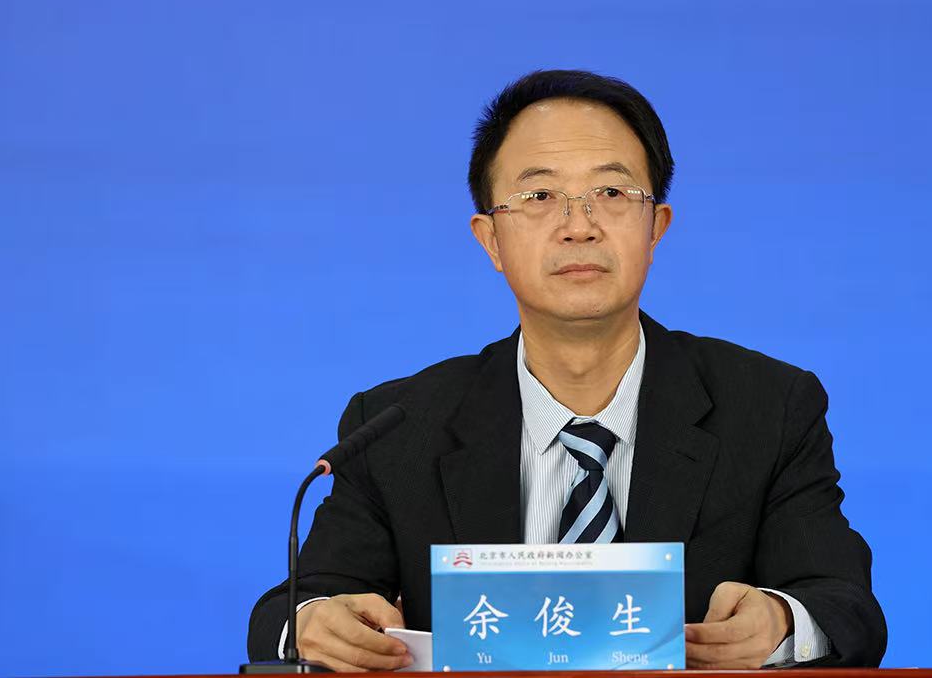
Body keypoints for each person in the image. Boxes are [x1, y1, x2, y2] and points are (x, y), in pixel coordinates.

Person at [247, 70, 887, 670]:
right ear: (490, 239)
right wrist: (313, 623)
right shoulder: (398, 429)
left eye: (611, 192)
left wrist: (782, 620)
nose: (579, 226)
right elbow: (292, 607)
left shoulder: (768, 408)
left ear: (656, 226)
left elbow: (843, 605)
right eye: (539, 195)